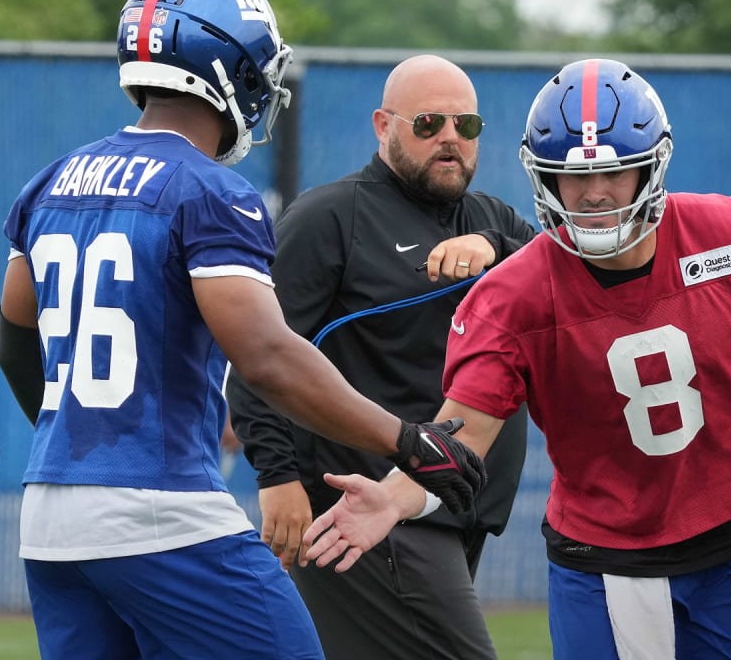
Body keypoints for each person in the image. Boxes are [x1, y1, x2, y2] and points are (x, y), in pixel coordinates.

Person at [303, 58, 731, 659]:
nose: (593, 193)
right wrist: (396, 493)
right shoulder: (512, 296)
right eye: (571, 176)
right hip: (600, 556)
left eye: (615, 173)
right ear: (543, 178)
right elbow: (464, 435)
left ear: (651, 167)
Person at [0, 0, 484, 660]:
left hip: (50, 515)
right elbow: (268, 356)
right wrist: (405, 441)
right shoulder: (209, 190)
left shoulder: (52, 182)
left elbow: (15, 338)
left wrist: (81, 438)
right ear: (234, 69)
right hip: (161, 509)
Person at [226, 54, 538, 660]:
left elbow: (561, 268)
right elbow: (259, 356)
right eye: (428, 124)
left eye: (465, 127)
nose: (450, 139)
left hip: (452, 508)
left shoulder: (493, 219)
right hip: (366, 504)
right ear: (383, 125)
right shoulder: (330, 217)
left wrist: (494, 245)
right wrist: (278, 476)